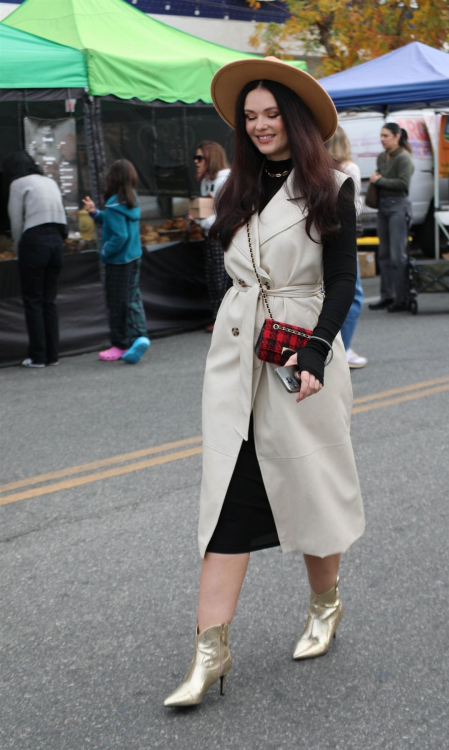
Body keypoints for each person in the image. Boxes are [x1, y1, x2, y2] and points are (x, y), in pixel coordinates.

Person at [163, 56, 364, 708]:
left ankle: (325, 602)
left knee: (310, 492)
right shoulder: (236, 189)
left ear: (294, 117)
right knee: (227, 501)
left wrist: (313, 353)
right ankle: (209, 652)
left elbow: (343, 283)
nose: (259, 127)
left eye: (271, 114)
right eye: (249, 118)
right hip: (239, 357)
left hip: (303, 356)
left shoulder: (331, 185)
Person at [3, 151, 67, 368]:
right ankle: (53, 355)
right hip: (57, 241)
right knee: (49, 301)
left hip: (34, 241)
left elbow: (16, 221)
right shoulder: (49, 181)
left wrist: (19, 249)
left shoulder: (18, 184)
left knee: (33, 301)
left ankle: (38, 356)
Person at [82, 160, 150, 364]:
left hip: (118, 262)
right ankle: (140, 336)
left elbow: (120, 236)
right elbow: (115, 222)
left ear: (113, 178)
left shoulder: (113, 203)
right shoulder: (130, 200)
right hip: (134, 257)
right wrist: (95, 213)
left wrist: (104, 252)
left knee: (116, 303)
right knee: (132, 298)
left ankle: (120, 344)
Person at [328, 127, 367, 369]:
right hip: (341, 236)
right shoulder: (348, 168)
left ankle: (327, 345)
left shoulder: (312, 168)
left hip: (317, 235)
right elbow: (354, 207)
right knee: (353, 294)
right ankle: (344, 348)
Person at [368, 123, 414, 313]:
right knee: (384, 254)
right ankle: (387, 296)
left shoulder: (404, 158)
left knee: (398, 256)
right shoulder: (382, 156)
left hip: (398, 206)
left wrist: (379, 181)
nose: (382, 139)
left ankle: (402, 298)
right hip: (383, 207)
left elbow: (403, 184)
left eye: (386, 135)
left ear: (397, 136)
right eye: (381, 135)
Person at [193, 140, 231, 331]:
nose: (196, 161)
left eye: (200, 157)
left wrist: (203, 221)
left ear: (211, 158)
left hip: (224, 236)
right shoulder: (207, 182)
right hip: (211, 235)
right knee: (213, 277)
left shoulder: (225, 179)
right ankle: (219, 318)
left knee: (221, 278)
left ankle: (225, 321)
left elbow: (224, 212)